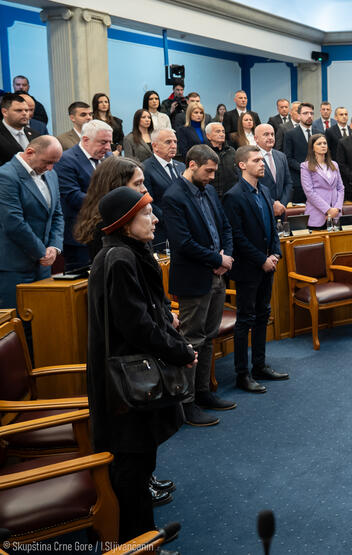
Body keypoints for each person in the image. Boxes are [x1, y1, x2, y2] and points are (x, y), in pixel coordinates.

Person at [86, 186, 196, 543]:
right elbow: (138, 326)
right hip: (125, 383)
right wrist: (180, 352)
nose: (155, 219)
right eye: (147, 214)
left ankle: (141, 538)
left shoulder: (125, 253)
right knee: (132, 468)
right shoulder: (120, 259)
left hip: (128, 377)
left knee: (138, 463)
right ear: (125, 223)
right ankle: (137, 544)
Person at [162, 145, 236, 423]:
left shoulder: (208, 191)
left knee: (209, 337)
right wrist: (217, 259)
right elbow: (183, 243)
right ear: (192, 165)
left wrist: (225, 258)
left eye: (215, 171)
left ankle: (203, 392)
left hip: (217, 274)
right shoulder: (173, 196)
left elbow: (225, 227)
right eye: (208, 171)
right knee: (192, 340)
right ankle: (187, 402)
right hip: (194, 278)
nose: (212, 177)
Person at [224, 145, 288, 394]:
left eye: (262, 160)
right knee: (245, 319)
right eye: (256, 160)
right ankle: (242, 374)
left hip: (267, 265)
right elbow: (237, 236)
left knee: (263, 314)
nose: (262, 164)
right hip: (248, 267)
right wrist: (262, 259)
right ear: (242, 165)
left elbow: (272, 227)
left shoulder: (265, 190)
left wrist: (275, 253)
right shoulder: (233, 196)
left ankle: (259, 366)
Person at [0, 136, 63, 309]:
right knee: (16, 321)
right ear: (30, 152)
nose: (50, 168)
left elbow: (57, 214)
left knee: (43, 317)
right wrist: (42, 252)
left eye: (54, 163)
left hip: (43, 265)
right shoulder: (6, 176)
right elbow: (14, 223)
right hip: (14, 267)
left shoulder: (51, 175)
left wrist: (54, 247)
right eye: (47, 162)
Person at [55, 119, 114, 270]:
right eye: (103, 142)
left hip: (107, 233)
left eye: (110, 142)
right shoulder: (66, 160)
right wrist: (112, 204)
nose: (108, 148)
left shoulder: (109, 158)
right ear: (86, 140)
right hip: (81, 236)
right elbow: (73, 196)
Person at [74, 156, 147, 262]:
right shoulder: (105, 227)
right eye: (137, 184)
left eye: (143, 182)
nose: (144, 189)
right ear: (117, 187)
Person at [142, 128, 185, 254]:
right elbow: (148, 201)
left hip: (184, 229)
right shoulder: (145, 168)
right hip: (161, 230)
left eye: (175, 142)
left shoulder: (181, 166)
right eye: (168, 142)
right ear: (155, 146)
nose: (173, 146)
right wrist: (171, 219)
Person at [301, 133, 344, 230]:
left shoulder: (334, 164)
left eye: (325, 143)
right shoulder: (305, 166)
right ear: (312, 148)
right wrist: (328, 210)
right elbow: (309, 192)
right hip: (317, 215)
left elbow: (341, 188)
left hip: (335, 215)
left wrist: (337, 208)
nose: (323, 145)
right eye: (319, 143)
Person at [282, 101, 320, 203]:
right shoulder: (290, 134)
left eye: (311, 113)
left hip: (318, 180)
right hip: (299, 180)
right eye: (305, 113)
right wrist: (304, 168)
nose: (309, 116)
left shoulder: (319, 133)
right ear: (299, 115)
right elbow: (288, 158)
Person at [255, 123, 291, 216]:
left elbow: (288, 183)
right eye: (266, 134)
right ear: (256, 138)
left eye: (272, 134)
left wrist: (282, 204)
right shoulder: (251, 157)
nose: (270, 137)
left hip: (281, 210)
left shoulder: (281, 156)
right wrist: (272, 204)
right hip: (261, 209)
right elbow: (252, 186)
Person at [1, 92, 39, 166]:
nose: (25, 113)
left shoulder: (35, 135)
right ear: (4, 112)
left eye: (26, 110)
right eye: (19, 110)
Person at [205, 122, 239, 196]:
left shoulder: (231, 151)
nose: (222, 134)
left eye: (223, 132)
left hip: (232, 194)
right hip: (211, 195)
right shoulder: (204, 152)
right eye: (218, 131)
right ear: (208, 136)